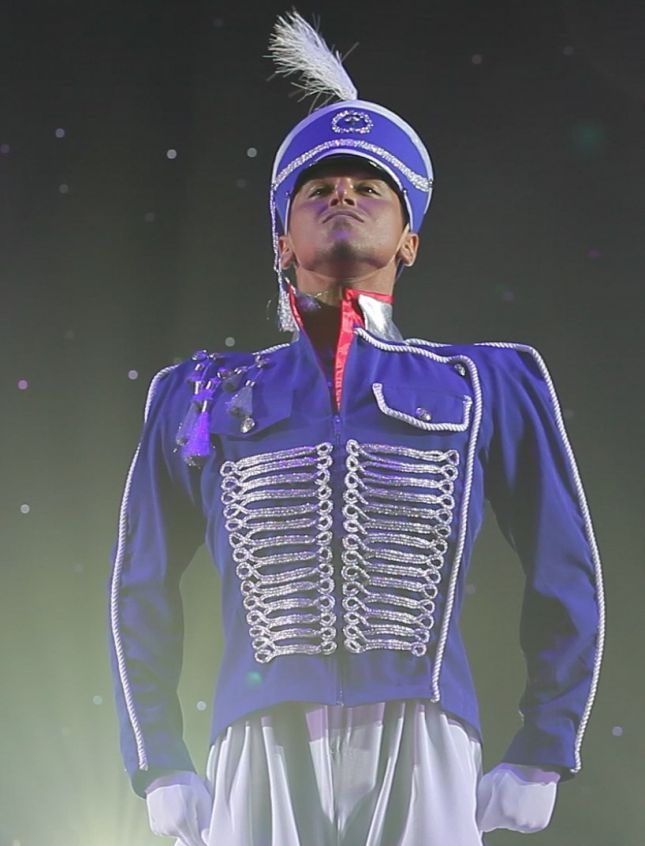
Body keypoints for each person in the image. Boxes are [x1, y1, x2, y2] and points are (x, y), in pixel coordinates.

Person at [108, 11, 604, 846]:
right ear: (282, 240)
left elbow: (564, 566)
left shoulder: (487, 383)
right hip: (257, 741)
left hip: (425, 733)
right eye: (318, 188)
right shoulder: (201, 393)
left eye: (370, 187)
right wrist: (158, 758)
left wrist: (545, 747)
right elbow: (140, 582)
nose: (342, 194)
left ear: (409, 240)